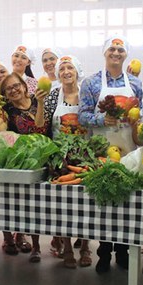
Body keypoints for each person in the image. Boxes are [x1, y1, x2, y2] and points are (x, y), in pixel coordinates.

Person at [79, 35, 143, 273]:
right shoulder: (91, 83)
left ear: (126, 54)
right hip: (101, 146)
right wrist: (101, 118)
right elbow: (82, 115)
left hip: (128, 148)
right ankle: (104, 251)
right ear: (105, 53)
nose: (116, 53)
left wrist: (135, 119)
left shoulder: (135, 83)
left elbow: (141, 112)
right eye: (112, 49)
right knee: (103, 200)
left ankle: (123, 250)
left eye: (120, 50)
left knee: (125, 199)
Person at [0, 72, 49, 261]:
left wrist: (40, 104)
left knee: (35, 206)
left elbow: (41, 128)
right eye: (9, 89)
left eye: (16, 85)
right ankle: (9, 238)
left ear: (24, 86)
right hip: (17, 161)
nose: (14, 90)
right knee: (9, 204)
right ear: (5, 94)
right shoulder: (5, 109)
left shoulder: (38, 100)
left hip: (39, 158)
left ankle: (36, 246)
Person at [43, 55, 92, 267]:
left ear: (77, 70)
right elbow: (44, 123)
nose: (65, 72)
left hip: (85, 154)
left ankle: (86, 247)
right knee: (61, 206)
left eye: (69, 67)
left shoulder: (87, 94)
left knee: (86, 204)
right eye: (61, 68)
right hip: (60, 156)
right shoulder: (53, 95)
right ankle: (68, 248)